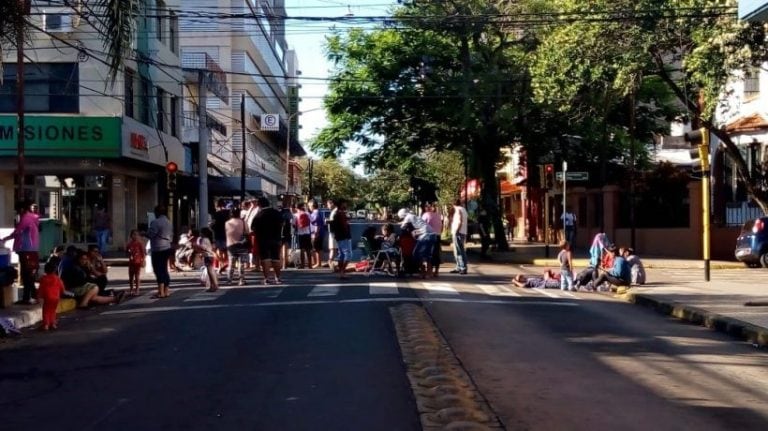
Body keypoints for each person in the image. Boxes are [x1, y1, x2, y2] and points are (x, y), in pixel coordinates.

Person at [1, 201, 40, 304]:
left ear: (22, 210)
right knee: (29, 275)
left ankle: (28, 298)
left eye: (18, 211)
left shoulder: (26, 218)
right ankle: (32, 297)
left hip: (26, 250)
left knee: (27, 275)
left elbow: (17, 232)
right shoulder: (32, 218)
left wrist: (4, 239)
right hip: (31, 250)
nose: (17, 213)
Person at [251, 197, 284, 285]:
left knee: (265, 258)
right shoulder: (276, 213)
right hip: (276, 238)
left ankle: (267, 278)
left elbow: (253, 228)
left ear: (260, 205)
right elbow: (282, 223)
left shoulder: (259, 215)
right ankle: (278, 277)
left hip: (263, 239)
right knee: (275, 258)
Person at [397, 207, 437, 278]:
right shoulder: (414, 217)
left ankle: (422, 272)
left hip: (425, 235)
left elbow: (403, 227)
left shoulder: (408, 217)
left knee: (417, 254)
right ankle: (429, 273)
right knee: (427, 255)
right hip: (433, 235)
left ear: (403, 215)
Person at [148, 204, 173, 298]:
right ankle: (166, 290)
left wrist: (144, 233)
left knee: (158, 269)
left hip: (157, 247)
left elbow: (151, 234)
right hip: (166, 247)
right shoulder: (168, 222)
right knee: (164, 269)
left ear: (157, 212)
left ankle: (160, 292)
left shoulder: (155, 222)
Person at [38, 261, 66, 331]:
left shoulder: (43, 279)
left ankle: (46, 325)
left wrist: (39, 296)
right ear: (55, 270)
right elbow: (62, 287)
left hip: (47, 297)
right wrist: (63, 293)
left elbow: (41, 288)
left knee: (46, 311)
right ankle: (53, 324)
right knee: (53, 311)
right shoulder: (57, 278)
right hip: (56, 297)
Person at [225, 208, 248, 286]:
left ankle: (229, 280)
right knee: (241, 264)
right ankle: (241, 280)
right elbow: (247, 231)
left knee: (231, 263)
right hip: (242, 245)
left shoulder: (227, 223)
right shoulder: (243, 222)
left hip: (231, 245)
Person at [329, 199, 352, 279]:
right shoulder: (340, 214)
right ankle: (342, 271)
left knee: (341, 255)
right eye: (344, 204)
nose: (346, 205)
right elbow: (344, 226)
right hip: (344, 236)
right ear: (341, 204)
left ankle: (341, 272)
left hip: (339, 237)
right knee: (348, 254)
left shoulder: (336, 213)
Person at [195, 227, 219, 291]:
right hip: (210, 256)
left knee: (210, 271)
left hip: (208, 255)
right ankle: (212, 285)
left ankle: (214, 285)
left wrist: (197, 246)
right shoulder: (210, 239)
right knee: (210, 271)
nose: (200, 234)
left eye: (201, 233)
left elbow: (204, 248)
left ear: (204, 233)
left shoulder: (204, 239)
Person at [422, 203, 443, 277]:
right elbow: (441, 226)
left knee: (428, 254)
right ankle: (436, 271)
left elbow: (422, 226)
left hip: (429, 236)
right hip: (438, 236)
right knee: (436, 254)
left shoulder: (425, 215)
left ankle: (429, 271)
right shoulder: (438, 215)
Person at [210, 199, 230, 274]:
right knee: (225, 250)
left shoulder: (216, 214)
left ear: (217, 205)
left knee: (216, 251)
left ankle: (222, 263)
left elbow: (213, 225)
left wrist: (211, 226)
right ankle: (224, 264)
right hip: (227, 233)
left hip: (217, 234)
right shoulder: (228, 213)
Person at [450, 199, 468, 275]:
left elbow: (460, 221)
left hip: (458, 232)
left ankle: (462, 267)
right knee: (461, 250)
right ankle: (459, 266)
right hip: (463, 232)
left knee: (459, 251)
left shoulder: (458, 210)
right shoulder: (463, 209)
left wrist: (457, 231)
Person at [126, 229, 146, 296]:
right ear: (131, 236)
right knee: (131, 276)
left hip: (137, 262)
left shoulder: (140, 243)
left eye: (136, 234)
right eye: (133, 234)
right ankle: (131, 289)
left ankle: (137, 289)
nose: (135, 236)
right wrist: (128, 252)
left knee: (137, 276)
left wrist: (143, 260)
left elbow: (143, 253)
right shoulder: (129, 244)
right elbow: (127, 252)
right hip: (131, 262)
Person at [294, 202, 312, 269]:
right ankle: (310, 265)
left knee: (302, 249)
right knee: (308, 249)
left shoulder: (295, 215)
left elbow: (293, 224)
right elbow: (311, 221)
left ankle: (302, 265)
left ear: (296, 208)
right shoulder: (307, 213)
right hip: (307, 233)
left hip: (300, 234)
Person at [308, 199, 326, 269]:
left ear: (312, 206)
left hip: (316, 234)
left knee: (317, 249)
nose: (309, 207)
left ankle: (318, 263)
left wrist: (315, 234)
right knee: (317, 248)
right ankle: (318, 263)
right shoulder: (319, 212)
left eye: (309, 206)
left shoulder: (315, 214)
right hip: (318, 233)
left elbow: (317, 225)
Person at [325, 199, 338, 271]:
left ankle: (330, 261)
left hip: (334, 232)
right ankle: (332, 262)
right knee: (332, 248)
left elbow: (334, 221)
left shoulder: (335, 211)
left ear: (332, 203)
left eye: (328, 204)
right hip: (332, 232)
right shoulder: (334, 211)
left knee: (332, 248)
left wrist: (328, 221)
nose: (327, 206)